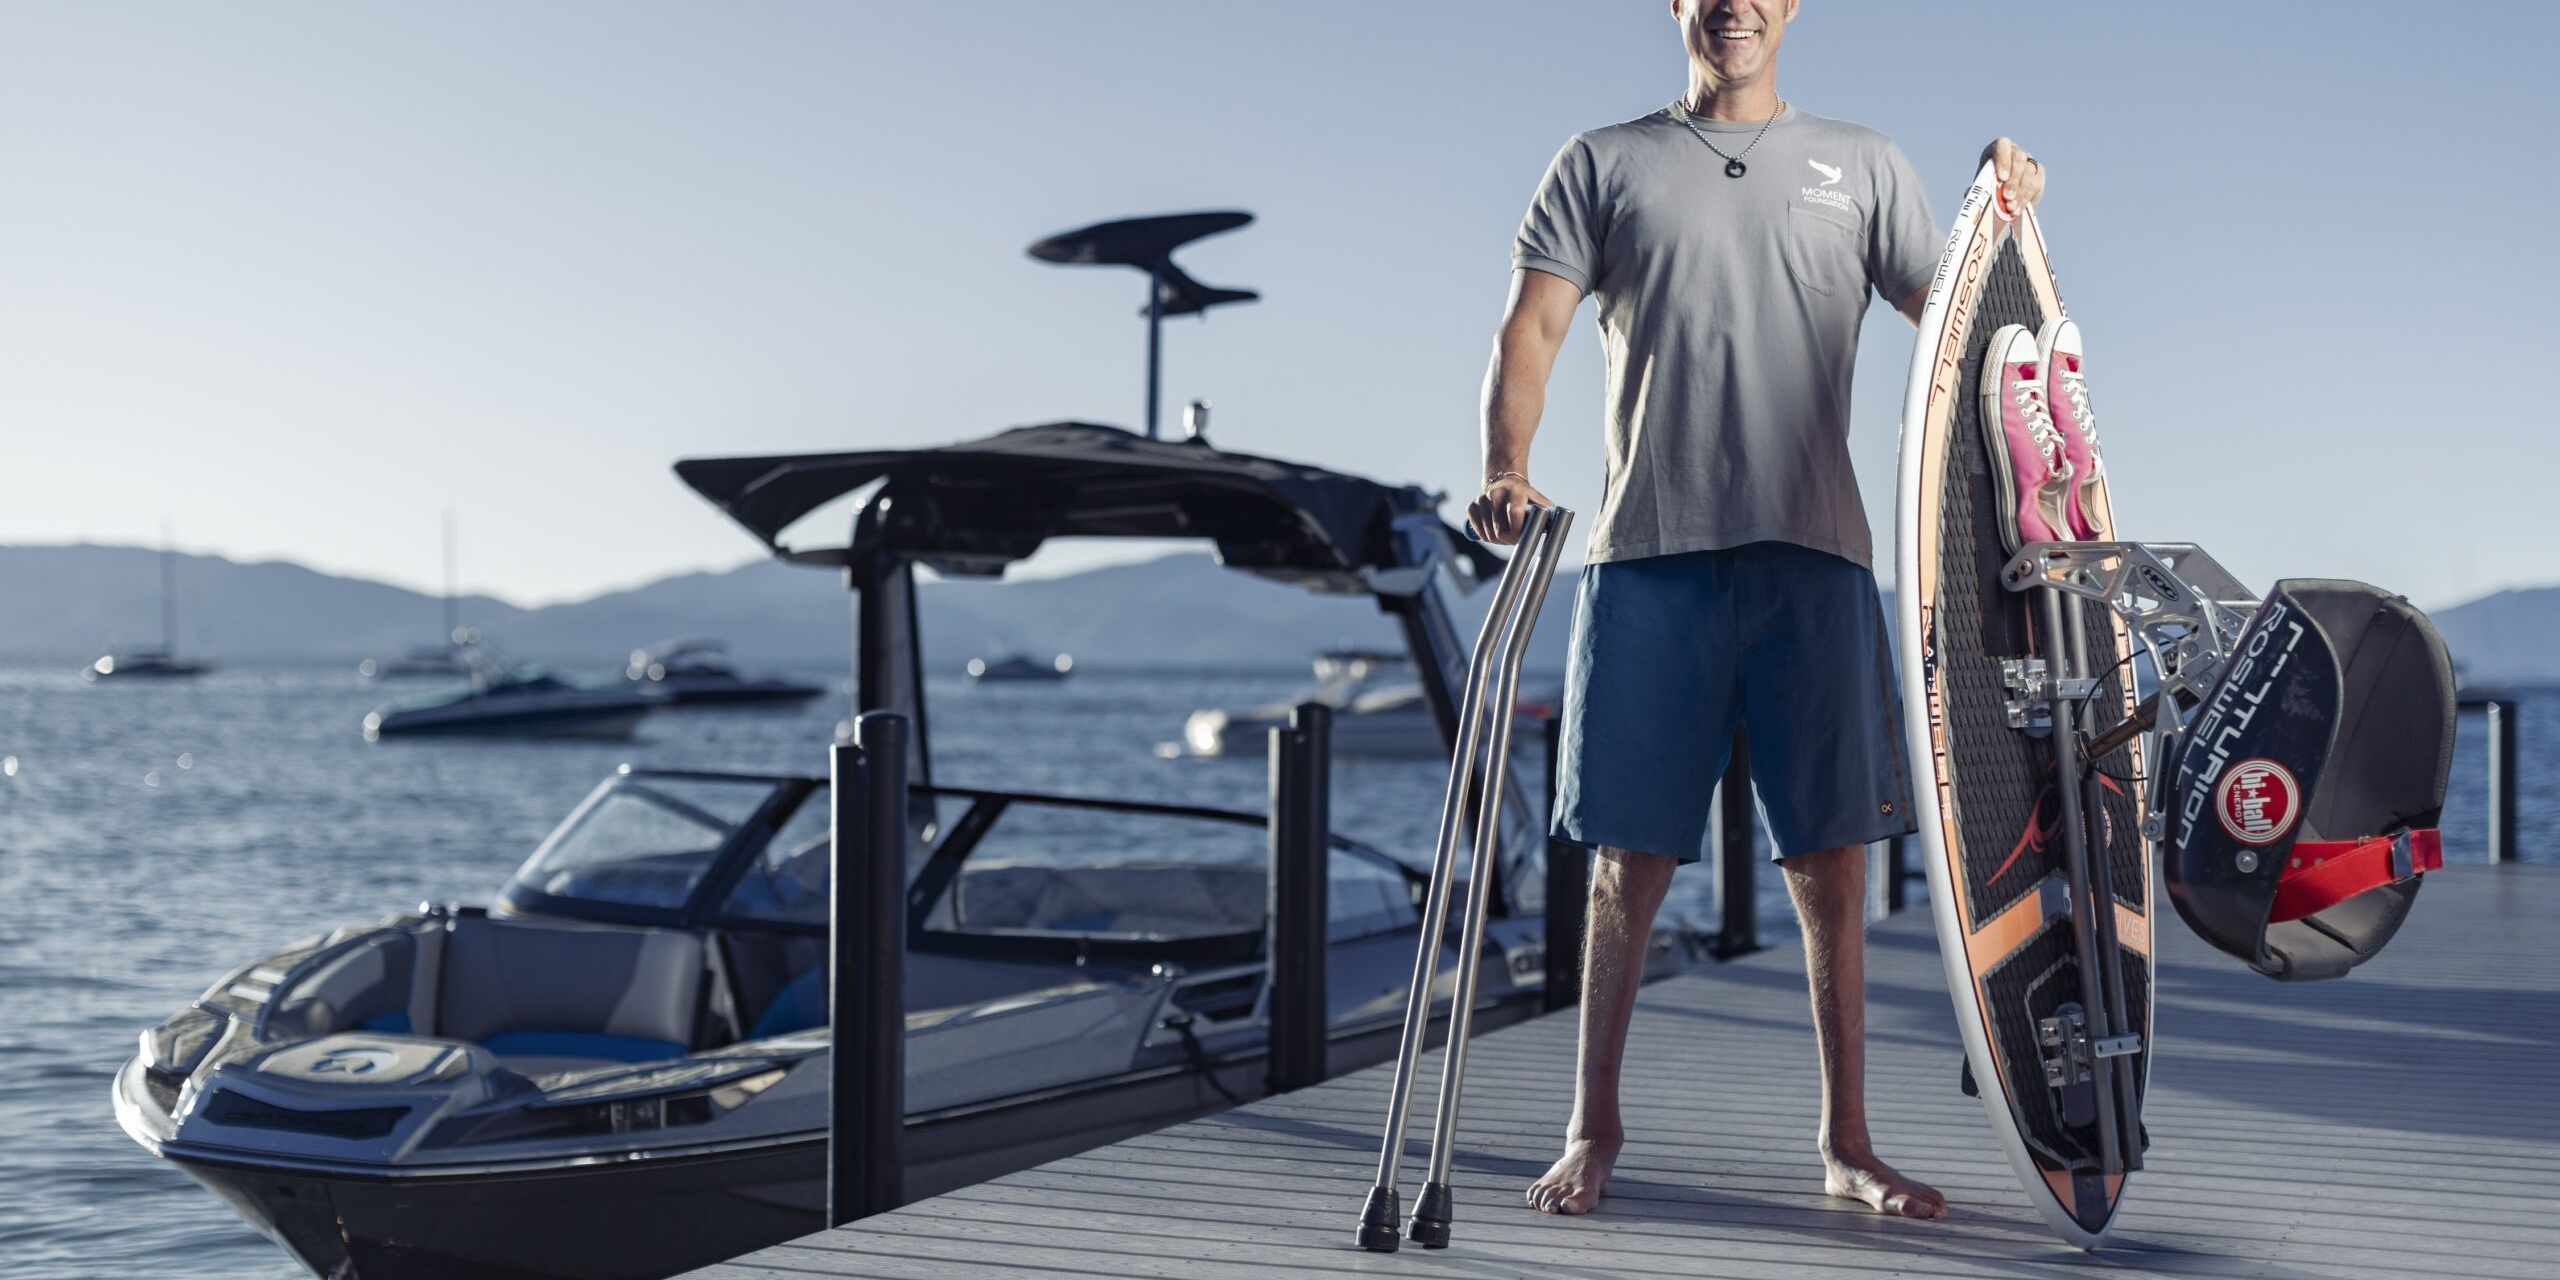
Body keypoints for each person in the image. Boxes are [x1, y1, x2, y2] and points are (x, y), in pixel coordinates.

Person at [1465, 0, 2044, 1221]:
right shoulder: (1602, 162)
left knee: (1831, 864)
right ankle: (1593, 1125)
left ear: (1789, 8)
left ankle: (1847, 1141)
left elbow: (1965, 335)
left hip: (1815, 551)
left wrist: (2004, 216)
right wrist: (1508, 461)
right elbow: (1531, 326)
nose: (1733, 4)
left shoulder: (1865, 165)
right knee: (1628, 861)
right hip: (1648, 552)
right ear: (1677, 6)